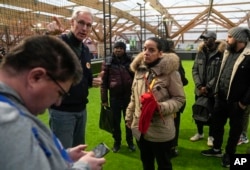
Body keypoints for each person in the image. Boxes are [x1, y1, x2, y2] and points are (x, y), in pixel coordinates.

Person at [0, 35, 105, 170]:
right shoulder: (7, 122)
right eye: (60, 93)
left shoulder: (12, 110)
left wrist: (62, 156)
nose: (58, 102)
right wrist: (83, 167)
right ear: (36, 77)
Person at [125, 37, 185, 170]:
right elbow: (134, 97)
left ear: (160, 53)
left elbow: (179, 99)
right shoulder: (139, 70)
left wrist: (161, 107)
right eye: (145, 48)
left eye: (151, 50)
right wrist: (129, 116)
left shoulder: (171, 73)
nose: (146, 52)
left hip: (160, 131)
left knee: (164, 165)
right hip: (140, 128)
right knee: (146, 163)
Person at [48, 7, 102, 148]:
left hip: (81, 110)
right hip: (62, 111)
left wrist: (93, 81)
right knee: (63, 155)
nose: (84, 28)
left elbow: (85, 77)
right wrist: (48, 36)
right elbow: (37, 57)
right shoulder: (58, 43)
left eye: (88, 25)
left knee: (77, 152)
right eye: (81, 23)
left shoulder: (85, 49)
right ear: (72, 22)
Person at [201, 27, 250, 168]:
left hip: (237, 102)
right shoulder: (227, 52)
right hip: (220, 99)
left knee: (235, 131)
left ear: (239, 39)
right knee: (217, 126)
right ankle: (216, 149)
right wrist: (215, 91)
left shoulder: (248, 56)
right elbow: (220, 73)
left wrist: (243, 102)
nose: (226, 39)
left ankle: (229, 155)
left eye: (229, 36)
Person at [190, 31, 226, 147]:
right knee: (198, 111)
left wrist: (208, 86)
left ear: (214, 39)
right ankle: (200, 133)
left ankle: (211, 136)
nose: (205, 41)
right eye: (203, 39)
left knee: (212, 115)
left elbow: (220, 73)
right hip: (199, 90)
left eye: (207, 38)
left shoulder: (221, 53)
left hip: (212, 92)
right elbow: (194, 69)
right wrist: (199, 86)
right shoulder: (200, 52)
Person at [100, 41, 135, 153]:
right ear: (113, 49)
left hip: (128, 97)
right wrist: (104, 99)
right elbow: (103, 82)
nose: (118, 50)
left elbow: (136, 79)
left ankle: (130, 142)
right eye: (116, 48)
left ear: (124, 49)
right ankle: (117, 142)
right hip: (114, 97)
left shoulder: (130, 61)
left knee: (129, 120)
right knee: (115, 122)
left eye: (120, 48)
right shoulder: (108, 62)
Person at [161, 38, 189, 157]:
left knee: (160, 124)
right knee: (173, 123)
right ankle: (172, 148)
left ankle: (162, 148)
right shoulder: (174, 59)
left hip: (158, 99)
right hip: (172, 99)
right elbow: (182, 79)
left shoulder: (153, 59)